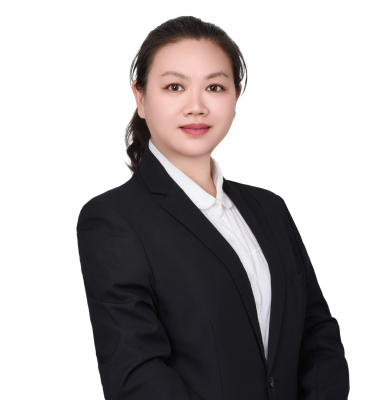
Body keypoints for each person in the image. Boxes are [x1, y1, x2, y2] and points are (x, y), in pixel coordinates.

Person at [76, 16, 350, 400]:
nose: (196, 107)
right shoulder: (113, 220)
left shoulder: (269, 209)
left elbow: (317, 335)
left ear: (236, 96)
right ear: (141, 98)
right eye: (174, 87)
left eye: (214, 87)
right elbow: (137, 375)